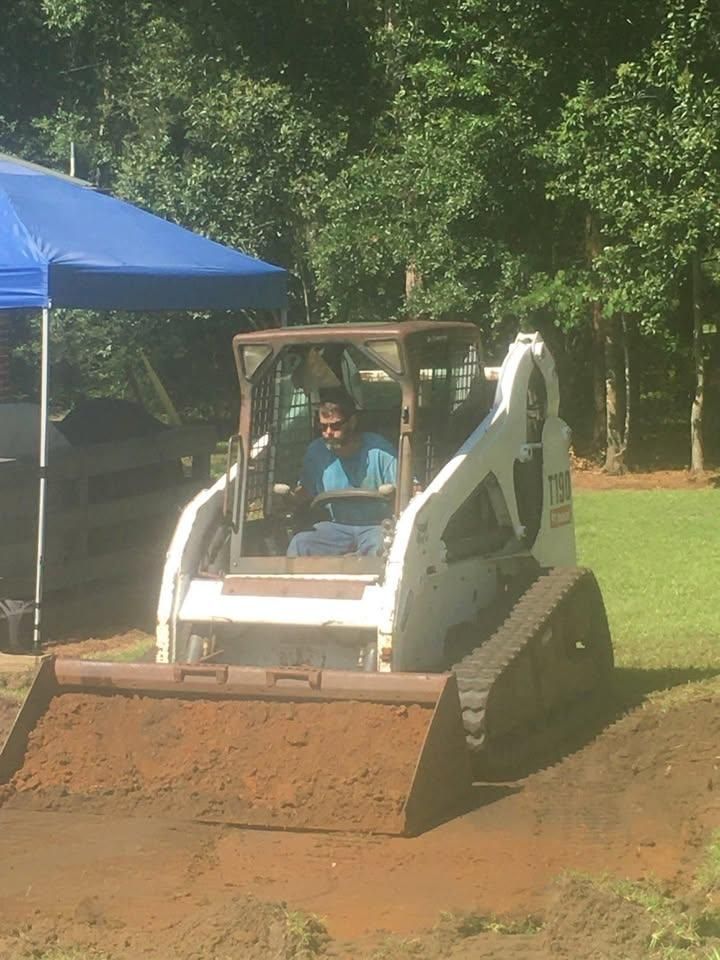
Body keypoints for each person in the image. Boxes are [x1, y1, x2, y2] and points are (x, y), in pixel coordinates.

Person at [286, 391, 397, 557]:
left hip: (376, 527)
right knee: (301, 543)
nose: (328, 432)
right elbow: (305, 492)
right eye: (323, 427)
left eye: (335, 426)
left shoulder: (380, 451)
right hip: (335, 528)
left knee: (388, 549)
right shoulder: (316, 452)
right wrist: (289, 497)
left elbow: (407, 491)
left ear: (352, 422)